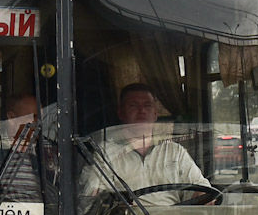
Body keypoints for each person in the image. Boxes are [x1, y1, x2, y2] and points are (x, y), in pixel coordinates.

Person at [79, 83, 209, 205]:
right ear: (121, 113)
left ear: (155, 114)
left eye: (147, 106)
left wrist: (202, 195)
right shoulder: (105, 153)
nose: (142, 111)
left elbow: (201, 190)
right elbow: (91, 199)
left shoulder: (174, 152)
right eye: (133, 106)